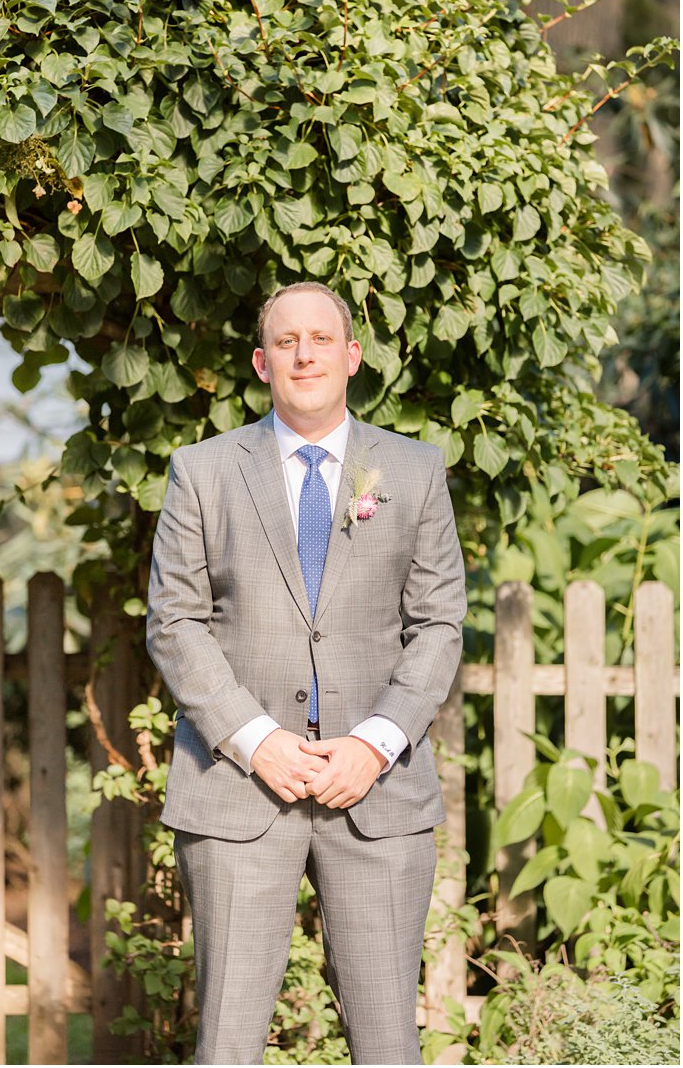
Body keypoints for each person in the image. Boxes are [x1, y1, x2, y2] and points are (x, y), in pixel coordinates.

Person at [145, 281, 466, 1064]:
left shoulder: (416, 471)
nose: (305, 353)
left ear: (352, 356)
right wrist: (256, 741)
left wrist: (374, 744)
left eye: (322, 338)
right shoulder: (202, 471)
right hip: (240, 790)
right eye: (286, 341)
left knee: (389, 1042)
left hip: (377, 795)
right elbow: (175, 621)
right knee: (227, 1041)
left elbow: (438, 624)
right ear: (262, 362)